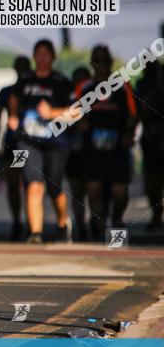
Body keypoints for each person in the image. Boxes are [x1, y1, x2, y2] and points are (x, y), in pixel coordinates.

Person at [8, 39, 73, 243]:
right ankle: (35, 232)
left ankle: (63, 221)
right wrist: (13, 115)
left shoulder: (61, 82)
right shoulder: (25, 81)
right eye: (39, 53)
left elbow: (77, 110)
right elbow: (13, 97)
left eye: (47, 53)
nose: (42, 57)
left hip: (56, 142)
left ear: (53, 57)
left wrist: (52, 112)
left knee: (54, 188)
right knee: (33, 184)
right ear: (34, 56)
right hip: (29, 141)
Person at [75, 45, 137, 240]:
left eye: (105, 60)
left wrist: (129, 133)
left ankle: (117, 218)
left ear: (110, 62)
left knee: (120, 191)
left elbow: (134, 114)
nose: (101, 65)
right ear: (92, 63)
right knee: (94, 189)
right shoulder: (84, 87)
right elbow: (72, 111)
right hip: (92, 148)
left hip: (117, 147)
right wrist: (81, 122)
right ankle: (100, 229)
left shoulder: (123, 85)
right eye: (97, 61)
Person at [0, 56, 32, 240]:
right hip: (13, 142)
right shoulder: (6, 92)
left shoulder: (33, 91)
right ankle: (18, 221)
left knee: (30, 183)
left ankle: (32, 222)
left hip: (31, 143)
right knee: (14, 184)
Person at [135, 58, 164, 231]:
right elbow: (140, 110)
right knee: (153, 181)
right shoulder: (142, 85)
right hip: (152, 140)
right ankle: (156, 214)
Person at [66, 66, 92, 241]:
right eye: (78, 79)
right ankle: (81, 224)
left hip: (93, 152)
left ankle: (98, 224)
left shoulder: (98, 97)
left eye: (84, 79)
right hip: (74, 152)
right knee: (77, 191)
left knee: (94, 190)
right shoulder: (69, 99)